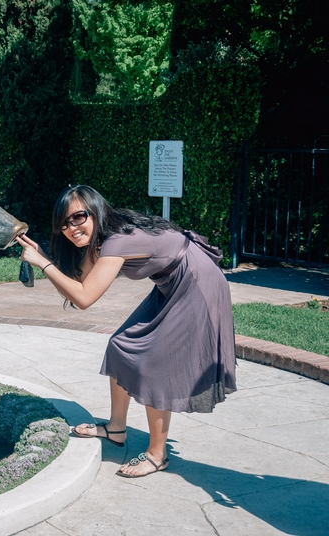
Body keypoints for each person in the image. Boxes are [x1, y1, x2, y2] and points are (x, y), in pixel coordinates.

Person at [16, 185, 236, 478]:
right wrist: (45, 257)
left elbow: (84, 298)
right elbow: (79, 282)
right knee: (121, 344)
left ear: (95, 211)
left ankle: (158, 454)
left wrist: (43, 264)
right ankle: (116, 428)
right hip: (171, 282)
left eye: (78, 217)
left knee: (152, 363)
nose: (71, 228)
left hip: (196, 283)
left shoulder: (116, 241)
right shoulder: (102, 239)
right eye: (64, 224)